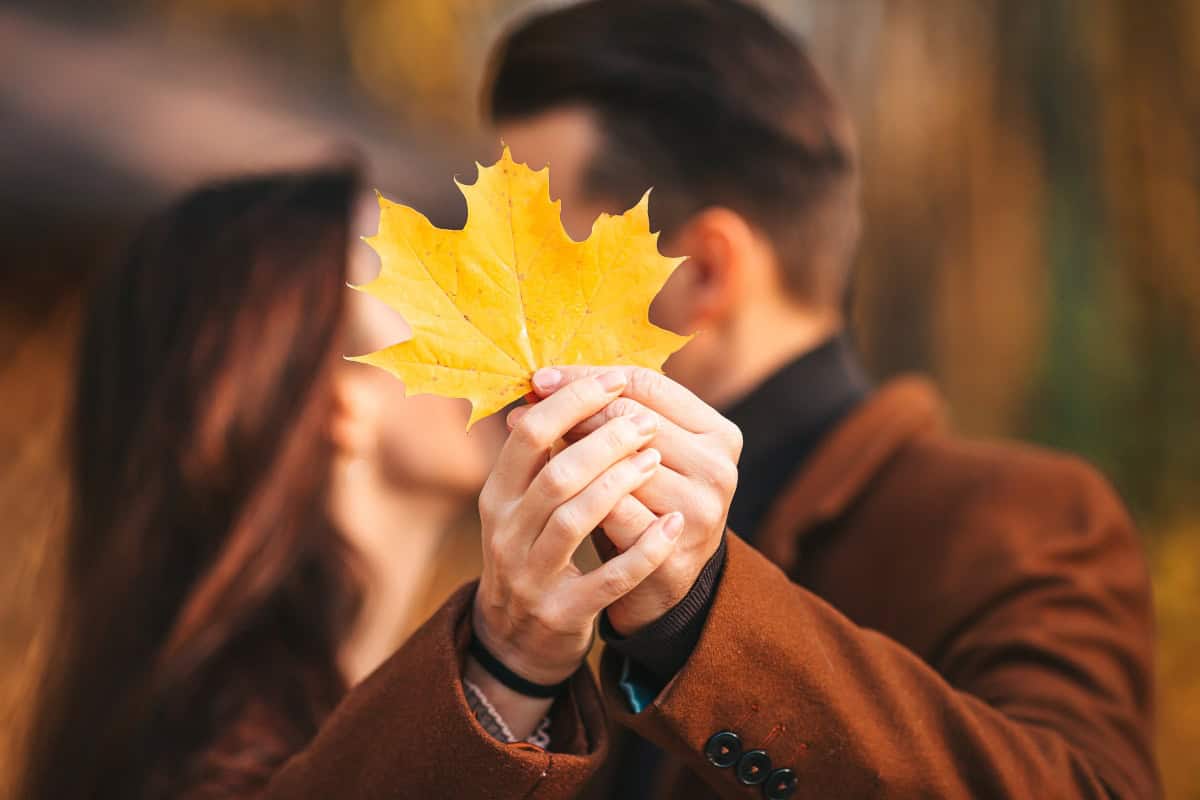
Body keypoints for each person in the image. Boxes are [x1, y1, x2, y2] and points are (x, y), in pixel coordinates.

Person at [484, 1, 1158, 798]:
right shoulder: (535, 565)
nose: (502, 302)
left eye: (532, 256)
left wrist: (700, 626)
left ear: (701, 272)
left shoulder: (1020, 519)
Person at [18, 166, 691, 799]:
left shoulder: (291, 715)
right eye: (426, 294)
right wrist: (508, 675)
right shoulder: (220, 762)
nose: (488, 316)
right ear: (337, 401)